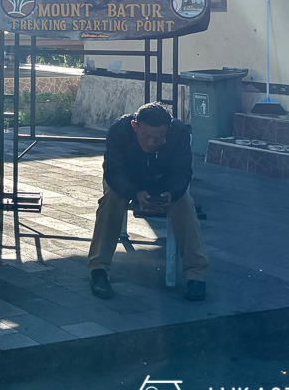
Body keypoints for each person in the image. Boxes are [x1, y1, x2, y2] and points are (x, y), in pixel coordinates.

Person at [87, 102, 209, 301]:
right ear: (135, 127)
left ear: (167, 131)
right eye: (146, 137)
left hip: (163, 181)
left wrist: (172, 193)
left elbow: (182, 171)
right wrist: (134, 193)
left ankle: (197, 275)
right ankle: (98, 269)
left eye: (159, 138)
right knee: (111, 200)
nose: (152, 143)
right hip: (126, 179)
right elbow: (113, 171)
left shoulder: (178, 132)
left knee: (185, 204)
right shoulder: (119, 130)